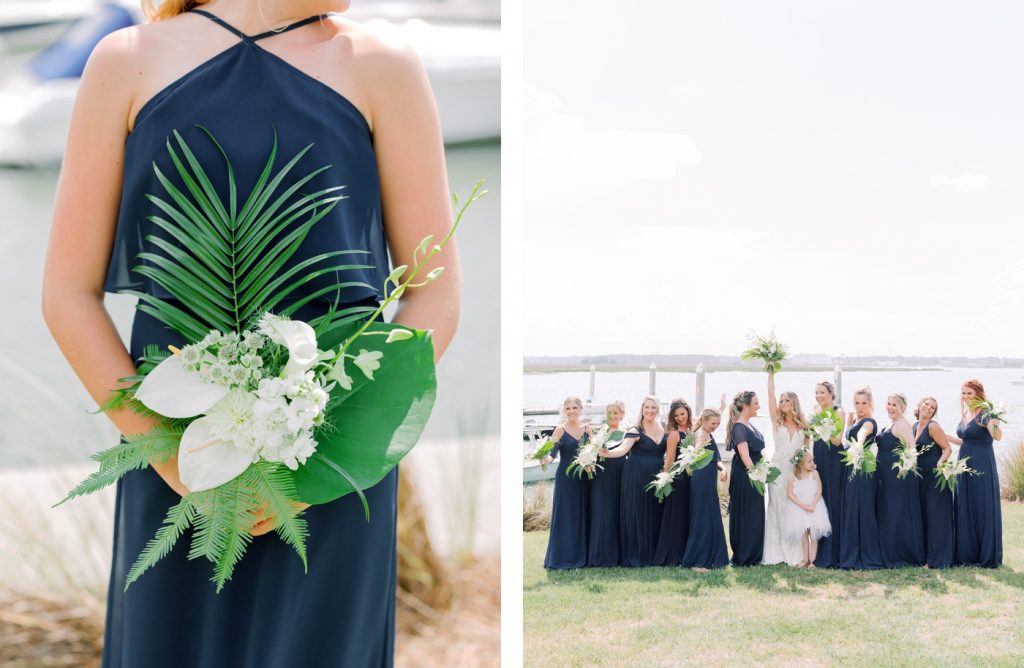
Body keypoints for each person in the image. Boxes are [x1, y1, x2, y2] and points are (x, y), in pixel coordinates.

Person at [41, 2, 459, 665]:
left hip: (334, 461)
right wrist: (174, 456)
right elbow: (67, 295)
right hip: (173, 451)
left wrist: (329, 439)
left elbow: (434, 293)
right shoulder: (124, 64)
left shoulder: (386, 69)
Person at [602, 396, 665, 567]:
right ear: (642, 409)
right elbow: (623, 449)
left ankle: (652, 554)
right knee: (637, 513)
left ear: (658, 410)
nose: (650, 410)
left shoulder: (663, 427)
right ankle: (635, 555)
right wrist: (606, 453)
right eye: (647, 407)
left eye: (653, 407)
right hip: (636, 475)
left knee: (653, 512)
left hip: (657, 477)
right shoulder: (635, 429)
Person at [950, 379, 1004, 567]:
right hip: (964, 463)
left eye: (969, 393)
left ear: (979, 395)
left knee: (981, 505)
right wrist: (940, 436)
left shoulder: (984, 415)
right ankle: (967, 553)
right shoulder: (967, 413)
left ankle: (985, 553)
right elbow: (965, 441)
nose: (965, 397)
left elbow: (997, 436)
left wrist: (994, 422)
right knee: (965, 505)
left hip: (981, 464)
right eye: (963, 393)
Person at [762, 370, 809, 566]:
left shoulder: (804, 427)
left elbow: (807, 452)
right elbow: (770, 395)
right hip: (777, 471)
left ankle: (796, 552)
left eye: (786, 400)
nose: (782, 403)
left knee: (792, 510)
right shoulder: (777, 422)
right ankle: (775, 552)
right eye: (781, 400)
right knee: (776, 508)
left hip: (794, 473)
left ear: (794, 403)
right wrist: (771, 369)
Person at [875, 393, 925, 567]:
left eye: (894, 405)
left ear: (903, 407)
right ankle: (887, 550)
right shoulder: (891, 423)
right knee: (888, 512)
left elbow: (912, 451)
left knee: (896, 513)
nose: (890, 407)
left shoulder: (903, 424)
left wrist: (903, 469)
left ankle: (900, 553)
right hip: (884, 475)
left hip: (897, 477)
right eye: (888, 404)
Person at [543, 397, 593, 569]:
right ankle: (561, 557)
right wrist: (545, 460)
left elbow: (593, 452)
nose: (571, 411)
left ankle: (583, 556)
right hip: (566, 477)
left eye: (574, 408)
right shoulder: (560, 429)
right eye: (568, 408)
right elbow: (552, 453)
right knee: (565, 515)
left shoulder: (587, 429)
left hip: (584, 478)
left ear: (581, 409)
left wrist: (591, 464)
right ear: (565, 411)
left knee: (583, 513)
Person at [837, 386, 883, 570]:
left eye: (864, 403)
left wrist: (859, 445)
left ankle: (866, 554)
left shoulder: (869, 422)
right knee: (851, 509)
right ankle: (851, 552)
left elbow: (863, 434)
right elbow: (847, 437)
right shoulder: (856, 418)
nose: (860, 406)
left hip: (863, 472)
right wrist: (849, 420)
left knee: (862, 511)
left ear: (870, 403)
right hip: (851, 469)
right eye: (857, 403)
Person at [681, 408, 729, 571]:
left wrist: (723, 468)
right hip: (702, 479)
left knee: (708, 516)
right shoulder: (701, 433)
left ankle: (709, 557)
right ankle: (699, 561)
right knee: (703, 518)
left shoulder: (707, 432)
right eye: (713, 423)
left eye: (718, 424)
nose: (716, 426)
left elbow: (714, 457)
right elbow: (697, 454)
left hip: (707, 479)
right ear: (705, 420)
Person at [725, 390, 766, 566]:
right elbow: (745, 456)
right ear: (746, 406)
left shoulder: (748, 424)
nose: (759, 406)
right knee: (746, 513)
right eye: (756, 403)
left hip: (755, 472)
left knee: (755, 513)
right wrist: (756, 475)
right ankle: (744, 554)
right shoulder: (739, 427)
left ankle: (755, 553)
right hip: (746, 475)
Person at [652, 399, 694, 566]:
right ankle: (674, 554)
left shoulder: (693, 430)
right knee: (677, 516)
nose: (680, 418)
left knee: (689, 515)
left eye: (682, 414)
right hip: (679, 479)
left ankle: (688, 551)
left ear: (688, 412)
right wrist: (665, 478)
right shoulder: (674, 434)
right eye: (676, 416)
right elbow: (669, 460)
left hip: (692, 478)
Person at [913, 397, 954, 568]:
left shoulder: (932, 426)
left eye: (932, 407)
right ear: (919, 405)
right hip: (920, 475)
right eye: (926, 404)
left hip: (934, 474)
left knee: (935, 517)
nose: (928, 408)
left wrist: (940, 463)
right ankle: (925, 557)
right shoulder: (915, 426)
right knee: (923, 515)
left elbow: (947, 449)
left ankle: (937, 559)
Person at [587, 401, 627, 567]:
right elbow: (590, 452)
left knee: (617, 513)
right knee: (602, 513)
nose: (612, 416)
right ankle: (599, 555)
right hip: (601, 477)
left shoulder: (626, 433)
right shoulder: (600, 433)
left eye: (616, 412)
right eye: (609, 412)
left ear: (622, 414)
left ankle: (617, 556)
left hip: (619, 476)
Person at [810, 381, 845, 568]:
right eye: (816, 392)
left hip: (833, 460)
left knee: (833, 501)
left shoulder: (839, 412)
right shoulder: (815, 410)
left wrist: (825, 428)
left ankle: (834, 552)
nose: (819, 396)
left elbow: (838, 440)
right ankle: (819, 550)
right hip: (819, 459)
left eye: (822, 392)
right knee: (820, 502)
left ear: (831, 393)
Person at [785, 449, 831, 568]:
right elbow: (789, 494)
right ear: (800, 463)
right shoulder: (793, 476)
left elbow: (819, 490)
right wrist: (804, 506)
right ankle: (805, 560)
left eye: (813, 460)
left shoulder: (814, 473)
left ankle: (813, 561)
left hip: (815, 507)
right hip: (800, 509)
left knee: (813, 535)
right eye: (809, 461)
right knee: (804, 535)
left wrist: (813, 505)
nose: (813, 463)